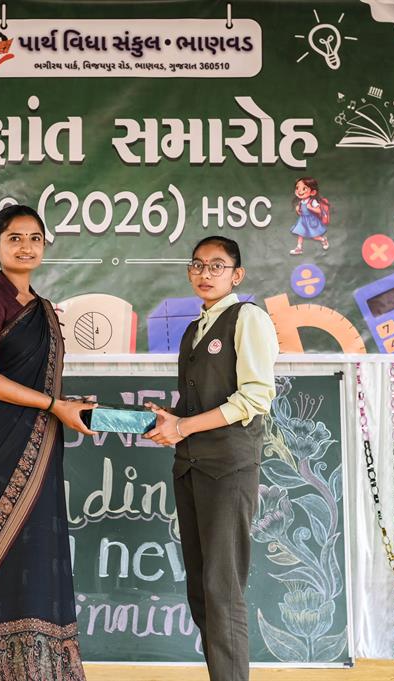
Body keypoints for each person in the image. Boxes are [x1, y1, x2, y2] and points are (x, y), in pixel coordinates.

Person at [0, 204, 93, 680]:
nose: (26, 247)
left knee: (40, 553)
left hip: (43, 444)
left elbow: (43, 386)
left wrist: (66, 405)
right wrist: (54, 405)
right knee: (0, 555)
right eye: (14, 238)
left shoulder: (44, 309)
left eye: (35, 238)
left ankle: (43, 669)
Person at [146, 236, 279, 681]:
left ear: (236, 275)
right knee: (201, 591)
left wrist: (183, 427)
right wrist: (170, 421)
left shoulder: (248, 318)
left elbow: (254, 399)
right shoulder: (193, 330)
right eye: (198, 265)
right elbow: (197, 404)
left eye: (217, 266)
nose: (205, 274)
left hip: (229, 468)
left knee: (222, 590)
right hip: (190, 466)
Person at [289, 176, 330, 255]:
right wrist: (298, 210)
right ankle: (299, 248)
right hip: (302, 220)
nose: (299, 191)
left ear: (313, 192)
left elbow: (319, 210)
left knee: (313, 236)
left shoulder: (312, 201)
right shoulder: (301, 202)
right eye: (297, 188)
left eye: (304, 189)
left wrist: (311, 208)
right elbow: (301, 213)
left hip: (311, 221)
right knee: (300, 234)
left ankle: (323, 239)